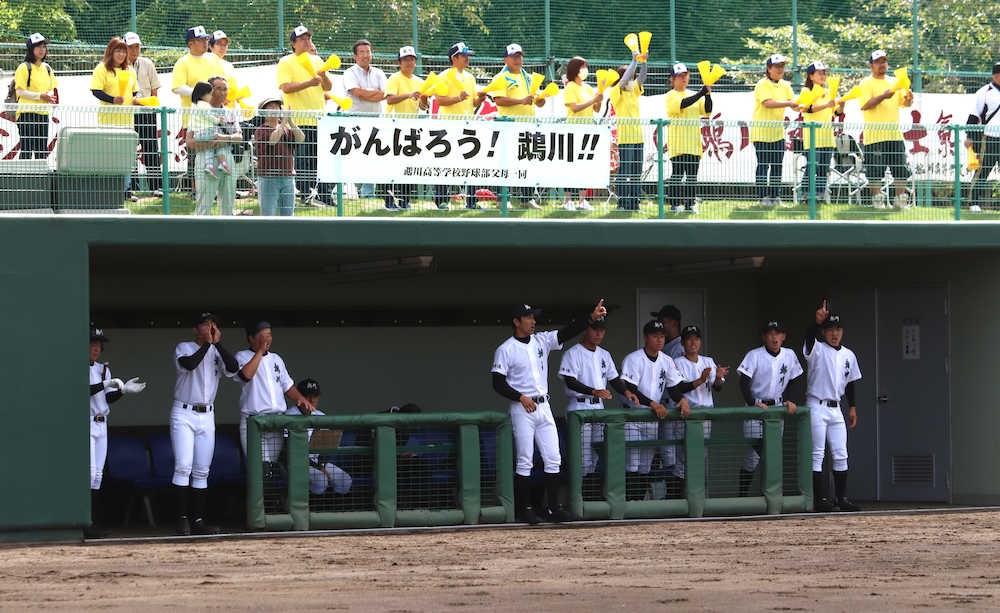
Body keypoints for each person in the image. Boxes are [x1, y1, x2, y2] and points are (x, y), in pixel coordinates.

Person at [491, 300, 608, 524]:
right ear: (517, 322)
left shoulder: (540, 341)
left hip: (544, 405)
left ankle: (554, 508)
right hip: (522, 407)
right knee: (525, 460)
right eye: (528, 317)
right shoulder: (506, 349)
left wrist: (591, 318)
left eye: (534, 317)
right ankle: (524, 509)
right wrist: (520, 397)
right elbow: (497, 383)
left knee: (553, 458)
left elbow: (566, 333)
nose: (533, 321)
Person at [171, 312, 239, 536]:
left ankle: (198, 520)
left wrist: (217, 345)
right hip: (184, 413)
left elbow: (233, 367)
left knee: (201, 471)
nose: (210, 327)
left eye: (213, 324)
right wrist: (208, 345)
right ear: (195, 329)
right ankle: (181, 520)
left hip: (207, 414)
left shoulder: (215, 351)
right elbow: (189, 364)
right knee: (183, 466)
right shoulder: (185, 347)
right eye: (205, 324)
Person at [557, 316, 638, 483]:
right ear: (586, 329)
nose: (598, 333)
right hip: (579, 408)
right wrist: (593, 391)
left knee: (595, 456)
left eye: (602, 330)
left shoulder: (604, 354)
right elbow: (570, 381)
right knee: (581, 458)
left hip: (598, 409)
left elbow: (614, 379)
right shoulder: (572, 353)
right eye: (595, 329)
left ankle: (589, 498)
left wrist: (626, 392)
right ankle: (577, 500)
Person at [619, 320, 693, 500]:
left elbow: (673, 387)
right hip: (633, 415)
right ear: (646, 337)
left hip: (652, 418)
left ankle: (638, 505)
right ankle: (628, 505)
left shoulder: (666, 361)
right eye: (655, 336)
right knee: (632, 463)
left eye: (662, 336)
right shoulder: (633, 358)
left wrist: (682, 400)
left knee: (645, 465)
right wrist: (653, 403)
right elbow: (630, 388)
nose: (659, 340)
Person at [87, 327, 146, 538]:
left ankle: (92, 522)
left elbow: (107, 397)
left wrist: (122, 391)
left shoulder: (103, 369)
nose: (95, 348)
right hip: (85, 422)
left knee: (98, 476)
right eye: (92, 344)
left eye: (98, 345)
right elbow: (85, 389)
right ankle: (85, 522)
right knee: (89, 472)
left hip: (102, 423)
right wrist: (105, 384)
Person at [803, 300, 862, 512]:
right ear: (824, 332)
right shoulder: (817, 349)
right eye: (830, 329)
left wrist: (853, 407)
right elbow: (809, 340)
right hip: (816, 404)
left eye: (837, 329)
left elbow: (851, 382)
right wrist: (815, 323)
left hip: (837, 407)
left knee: (840, 453)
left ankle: (841, 498)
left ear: (842, 331)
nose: (834, 333)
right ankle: (820, 500)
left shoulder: (849, 354)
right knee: (817, 454)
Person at [736, 319, 803, 497]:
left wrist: (791, 400)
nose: (775, 337)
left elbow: (795, 379)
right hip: (756, 407)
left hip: (777, 407)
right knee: (755, 456)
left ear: (784, 337)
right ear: (764, 337)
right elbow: (743, 382)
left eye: (778, 333)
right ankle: (743, 497)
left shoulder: (789, 355)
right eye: (771, 333)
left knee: (770, 453)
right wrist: (752, 403)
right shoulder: (754, 355)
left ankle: (770, 497)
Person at [233, 320, 316, 459]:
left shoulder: (276, 358)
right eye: (262, 335)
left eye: (269, 334)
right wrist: (260, 351)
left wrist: (300, 399)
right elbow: (246, 375)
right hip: (254, 421)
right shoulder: (241, 356)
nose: (267, 339)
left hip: (276, 422)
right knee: (259, 469)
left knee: (270, 469)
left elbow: (287, 386)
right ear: (251, 338)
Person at [277, 25, 334, 206]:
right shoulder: (286, 62)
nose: (307, 41)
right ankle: (306, 194)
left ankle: (324, 195)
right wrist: (309, 82)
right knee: (303, 160)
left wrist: (323, 76)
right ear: (293, 43)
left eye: (308, 38)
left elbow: (328, 87)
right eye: (302, 39)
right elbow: (285, 87)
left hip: (319, 119)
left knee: (321, 160)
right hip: (298, 121)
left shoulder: (317, 61)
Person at [670, 325, 728, 491]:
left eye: (696, 338)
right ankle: (679, 499)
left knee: (700, 458)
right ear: (682, 342)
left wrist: (718, 378)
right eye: (689, 339)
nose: (693, 342)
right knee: (683, 459)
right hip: (686, 415)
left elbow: (718, 387)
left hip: (705, 416)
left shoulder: (708, 360)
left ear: (700, 341)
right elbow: (679, 388)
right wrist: (701, 379)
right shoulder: (677, 363)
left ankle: (697, 498)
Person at [491, 43, 546, 210]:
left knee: (527, 162)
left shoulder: (528, 77)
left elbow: (537, 101)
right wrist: (521, 101)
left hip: (528, 127)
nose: (518, 59)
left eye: (520, 56)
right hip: (508, 128)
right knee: (506, 164)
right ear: (505, 59)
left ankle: (526, 199)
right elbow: (498, 100)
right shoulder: (500, 77)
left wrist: (541, 99)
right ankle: (502, 199)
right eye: (514, 56)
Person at [433, 42, 486, 210]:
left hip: (468, 126)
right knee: (445, 163)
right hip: (448, 127)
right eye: (463, 56)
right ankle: (442, 200)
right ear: (453, 58)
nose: (467, 59)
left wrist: (482, 97)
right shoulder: (443, 76)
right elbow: (439, 100)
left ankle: (471, 201)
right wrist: (458, 98)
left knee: (470, 164)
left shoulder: (470, 77)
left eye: (467, 55)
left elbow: (473, 102)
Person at [859, 49, 914, 209]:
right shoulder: (866, 83)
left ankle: (900, 200)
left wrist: (909, 99)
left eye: (884, 61)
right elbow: (865, 105)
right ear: (871, 65)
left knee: (900, 168)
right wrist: (883, 96)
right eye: (878, 62)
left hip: (894, 135)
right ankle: (877, 200)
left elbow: (904, 104)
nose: (882, 64)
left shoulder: (894, 82)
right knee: (875, 170)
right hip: (874, 136)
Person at [171, 26, 223, 190]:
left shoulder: (213, 59)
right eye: (200, 40)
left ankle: (215, 190)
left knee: (217, 154)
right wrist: (201, 93)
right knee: (196, 158)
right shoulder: (183, 62)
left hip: (215, 116)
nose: (204, 42)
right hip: (194, 119)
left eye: (206, 39)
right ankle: (195, 190)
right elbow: (177, 86)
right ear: (190, 43)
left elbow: (222, 81)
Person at [285, 379, 353, 496]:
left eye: (315, 396)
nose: (312, 400)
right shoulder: (289, 416)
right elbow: (289, 452)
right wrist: (320, 469)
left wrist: (321, 466)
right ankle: (311, 510)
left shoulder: (321, 416)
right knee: (321, 480)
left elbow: (325, 449)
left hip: (317, 463)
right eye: (307, 396)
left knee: (344, 480)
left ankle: (332, 510)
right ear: (299, 397)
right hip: (295, 463)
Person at [90, 36, 138, 201]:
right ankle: (108, 188)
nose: (121, 54)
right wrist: (112, 100)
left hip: (127, 121)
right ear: (110, 52)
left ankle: (126, 190)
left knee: (126, 156)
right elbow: (95, 90)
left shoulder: (130, 70)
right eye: (117, 50)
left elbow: (134, 91)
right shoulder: (102, 69)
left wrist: (138, 99)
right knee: (109, 155)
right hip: (108, 121)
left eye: (123, 51)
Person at [186, 77, 243, 215]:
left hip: (227, 157)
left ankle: (225, 233)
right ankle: (201, 233)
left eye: (225, 89)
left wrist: (226, 139)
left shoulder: (230, 112)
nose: (223, 93)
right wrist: (208, 143)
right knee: (204, 201)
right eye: (219, 89)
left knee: (228, 200)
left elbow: (239, 136)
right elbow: (189, 140)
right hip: (206, 158)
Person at [383, 45, 427, 210]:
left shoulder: (419, 81)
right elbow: (390, 100)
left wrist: (424, 99)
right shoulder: (394, 78)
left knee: (408, 166)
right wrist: (409, 95)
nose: (410, 62)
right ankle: (388, 201)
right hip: (393, 127)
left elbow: (423, 107)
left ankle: (404, 200)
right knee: (391, 166)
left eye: (412, 59)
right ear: (399, 62)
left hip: (412, 128)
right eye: (406, 59)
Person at [665, 63, 712, 214]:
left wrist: (708, 94)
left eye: (686, 75)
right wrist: (700, 93)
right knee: (677, 175)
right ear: (672, 79)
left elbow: (707, 111)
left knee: (692, 176)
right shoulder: (671, 95)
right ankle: (675, 204)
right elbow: (683, 104)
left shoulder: (693, 94)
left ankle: (690, 204)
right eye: (680, 76)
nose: (684, 78)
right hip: (678, 143)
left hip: (693, 143)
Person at [344, 38, 387, 201]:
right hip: (355, 120)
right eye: (361, 52)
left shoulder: (379, 73)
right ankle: (352, 191)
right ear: (355, 56)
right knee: (354, 155)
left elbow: (384, 94)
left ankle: (368, 194)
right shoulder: (349, 73)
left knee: (372, 156)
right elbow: (356, 92)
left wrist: (366, 93)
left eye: (367, 52)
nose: (365, 55)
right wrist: (373, 93)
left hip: (375, 119)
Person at [751, 54, 796, 207]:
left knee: (777, 166)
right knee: (763, 165)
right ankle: (763, 198)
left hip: (778, 134)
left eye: (782, 66)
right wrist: (790, 103)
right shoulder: (762, 84)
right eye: (777, 66)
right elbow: (768, 103)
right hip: (761, 133)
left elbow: (795, 104)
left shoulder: (786, 85)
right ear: (769, 69)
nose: (780, 69)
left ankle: (776, 197)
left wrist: (806, 102)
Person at [608, 46, 648, 211]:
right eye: (630, 75)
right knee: (624, 172)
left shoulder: (633, 91)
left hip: (638, 136)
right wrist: (633, 61)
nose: (632, 78)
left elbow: (642, 77)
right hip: (625, 137)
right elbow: (624, 80)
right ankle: (622, 203)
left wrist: (644, 61)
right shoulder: (616, 92)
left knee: (636, 171)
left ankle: (634, 203)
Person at [562, 56, 603, 211]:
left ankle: (582, 200)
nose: (585, 70)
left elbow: (596, 109)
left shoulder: (587, 87)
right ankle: (567, 200)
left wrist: (598, 99)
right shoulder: (570, 86)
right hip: (573, 130)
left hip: (588, 131)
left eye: (586, 66)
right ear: (575, 69)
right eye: (582, 67)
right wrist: (593, 101)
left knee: (585, 165)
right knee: (571, 166)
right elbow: (574, 108)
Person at [125, 32, 163, 195]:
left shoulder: (147, 63)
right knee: (128, 150)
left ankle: (156, 187)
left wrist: (152, 105)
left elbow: (155, 89)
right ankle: (132, 188)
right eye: (131, 47)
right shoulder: (119, 65)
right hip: (127, 113)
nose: (135, 50)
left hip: (147, 112)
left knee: (151, 148)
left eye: (137, 47)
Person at [800, 61, 842, 205]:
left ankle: (819, 195)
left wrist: (842, 104)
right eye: (819, 73)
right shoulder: (806, 91)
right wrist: (826, 104)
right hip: (812, 137)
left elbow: (836, 112)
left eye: (824, 73)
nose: (822, 76)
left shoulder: (829, 92)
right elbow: (806, 109)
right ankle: (805, 195)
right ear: (811, 76)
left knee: (823, 168)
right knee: (812, 166)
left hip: (827, 137)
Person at [254, 96, 304, 216]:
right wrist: (284, 122)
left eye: (277, 106)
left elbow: (301, 138)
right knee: (268, 214)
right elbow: (273, 140)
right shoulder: (261, 130)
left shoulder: (286, 129)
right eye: (270, 106)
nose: (275, 108)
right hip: (268, 178)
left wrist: (290, 121)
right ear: (263, 112)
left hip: (287, 177)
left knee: (288, 215)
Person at [14, 33, 57, 160]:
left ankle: (41, 178)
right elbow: (20, 91)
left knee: (41, 150)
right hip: (26, 113)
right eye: (38, 47)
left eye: (44, 47)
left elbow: (51, 89)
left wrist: (48, 96)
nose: (42, 50)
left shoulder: (47, 68)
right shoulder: (23, 67)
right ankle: (22, 178)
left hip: (43, 114)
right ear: (30, 50)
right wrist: (40, 96)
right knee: (26, 149)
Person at [966, 62, 1000, 212]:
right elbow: (974, 115)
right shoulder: (984, 92)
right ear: (995, 75)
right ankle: (973, 202)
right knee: (982, 170)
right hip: (990, 137)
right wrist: (970, 136)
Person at [189, 80, 231, 177]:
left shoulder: (195, 105)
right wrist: (217, 120)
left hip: (198, 134)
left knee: (209, 147)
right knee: (219, 143)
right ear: (203, 94)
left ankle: (209, 165)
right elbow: (208, 116)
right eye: (210, 94)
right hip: (206, 132)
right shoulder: (204, 105)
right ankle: (223, 163)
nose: (211, 97)